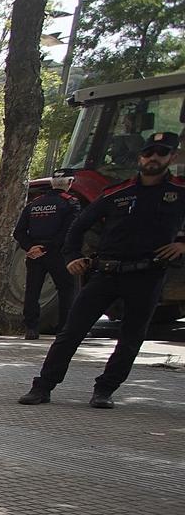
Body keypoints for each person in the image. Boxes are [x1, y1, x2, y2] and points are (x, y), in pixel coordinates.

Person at [20, 132, 185, 409]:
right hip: (107, 272)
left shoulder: (179, 193)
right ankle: (43, 386)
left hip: (147, 275)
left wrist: (182, 243)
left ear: (173, 157)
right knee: (71, 332)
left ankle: (104, 390)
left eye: (161, 153)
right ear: (140, 157)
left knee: (131, 338)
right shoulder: (117, 192)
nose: (153, 158)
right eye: (148, 153)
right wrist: (72, 256)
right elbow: (79, 225)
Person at [13, 176, 81, 340]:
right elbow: (69, 231)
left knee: (32, 289)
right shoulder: (70, 203)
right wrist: (46, 248)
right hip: (56, 252)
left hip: (35, 253)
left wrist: (31, 247)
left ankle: (31, 328)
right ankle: (64, 328)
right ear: (70, 184)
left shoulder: (34, 204)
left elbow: (19, 232)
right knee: (66, 288)